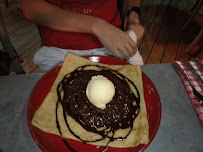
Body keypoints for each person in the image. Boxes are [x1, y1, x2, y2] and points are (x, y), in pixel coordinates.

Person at [20, 0, 144, 72]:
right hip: (58, 51)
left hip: (113, 45)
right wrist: (98, 26)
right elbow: (30, 8)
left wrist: (133, 14)